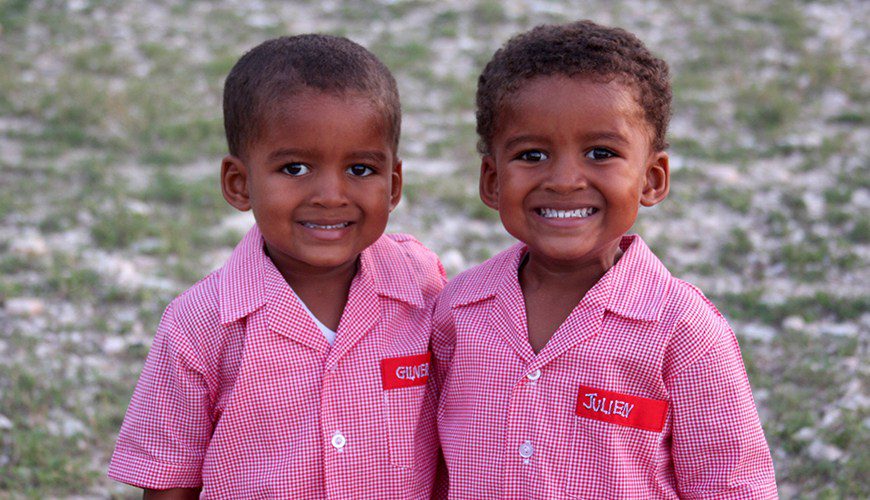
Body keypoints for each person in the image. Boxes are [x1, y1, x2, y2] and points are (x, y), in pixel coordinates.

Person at [431, 20, 777, 498]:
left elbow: (732, 484)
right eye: (532, 155)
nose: (565, 180)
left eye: (600, 152)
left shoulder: (684, 331)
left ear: (652, 179)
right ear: (491, 181)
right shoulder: (458, 311)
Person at [108, 34, 446, 498]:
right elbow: (169, 484)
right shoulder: (198, 326)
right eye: (294, 169)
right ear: (238, 183)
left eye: (361, 169)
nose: (331, 194)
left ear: (393, 183)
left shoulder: (423, 284)